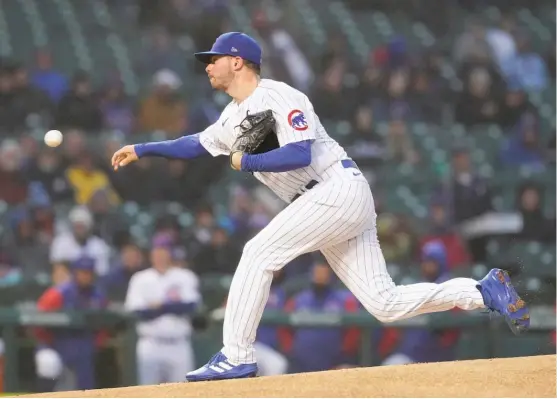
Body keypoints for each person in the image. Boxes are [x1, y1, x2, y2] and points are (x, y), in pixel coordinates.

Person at [110, 32, 530, 382]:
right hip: (323, 202)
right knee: (384, 303)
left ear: (238, 61)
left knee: (258, 253)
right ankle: (482, 290)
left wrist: (248, 160)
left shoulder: (280, 95)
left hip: (334, 188)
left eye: (214, 58)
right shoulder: (229, 118)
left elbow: (299, 153)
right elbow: (194, 144)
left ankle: (236, 354)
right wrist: (143, 148)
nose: (207, 65)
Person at [124, 241, 201, 385]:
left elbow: (191, 306)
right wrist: (172, 306)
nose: (160, 256)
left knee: (184, 392)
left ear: (169, 254)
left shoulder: (184, 276)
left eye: (163, 252)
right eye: (157, 252)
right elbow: (139, 312)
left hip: (179, 344)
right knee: (149, 392)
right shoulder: (140, 278)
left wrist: (159, 306)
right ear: (151, 255)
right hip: (150, 343)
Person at [34, 256, 107, 391]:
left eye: (88, 273)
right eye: (82, 272)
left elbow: (104, 327)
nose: (86, 276)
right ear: (75, 273)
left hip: (85, 346)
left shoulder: (98, 296)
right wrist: (49, 342)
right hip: (57, 343)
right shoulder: (59, 293)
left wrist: (96, 344)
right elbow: (37, 320)